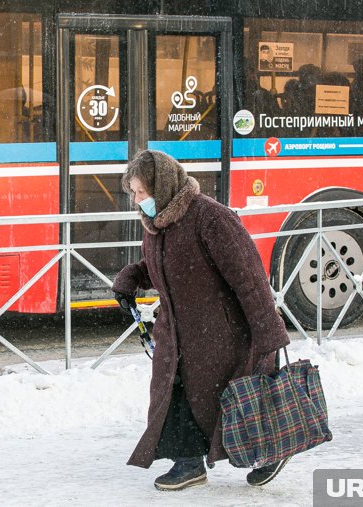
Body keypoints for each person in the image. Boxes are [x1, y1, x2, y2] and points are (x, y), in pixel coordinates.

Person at [111, 150, 290, 491]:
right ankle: (189, 462)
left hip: (219, 332)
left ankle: (271, 449)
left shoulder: (211, 218)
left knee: (236, 397)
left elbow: (248, 276)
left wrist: (268, 329)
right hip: (177, 332)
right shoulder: (157, 220)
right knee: (175, 393)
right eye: (133, 192)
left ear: (161, 187)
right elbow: (162, 266)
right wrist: (131, 277)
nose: (136, 200)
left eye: (140, 192)